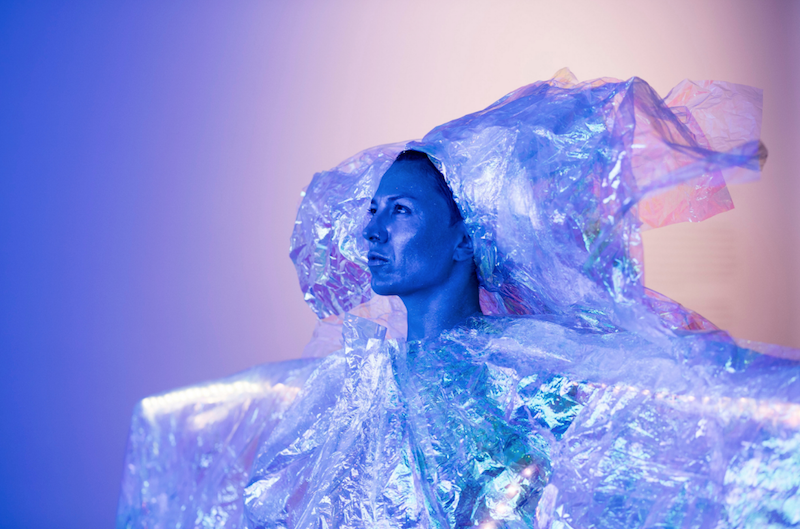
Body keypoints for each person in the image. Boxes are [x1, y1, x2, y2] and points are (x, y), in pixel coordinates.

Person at [117, 70, 800, 528]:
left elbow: (670, 412)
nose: (374, 229)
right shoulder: (362, 382)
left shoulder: (525, 367)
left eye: (403, 211)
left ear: (464, 239)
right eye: (375, 209)